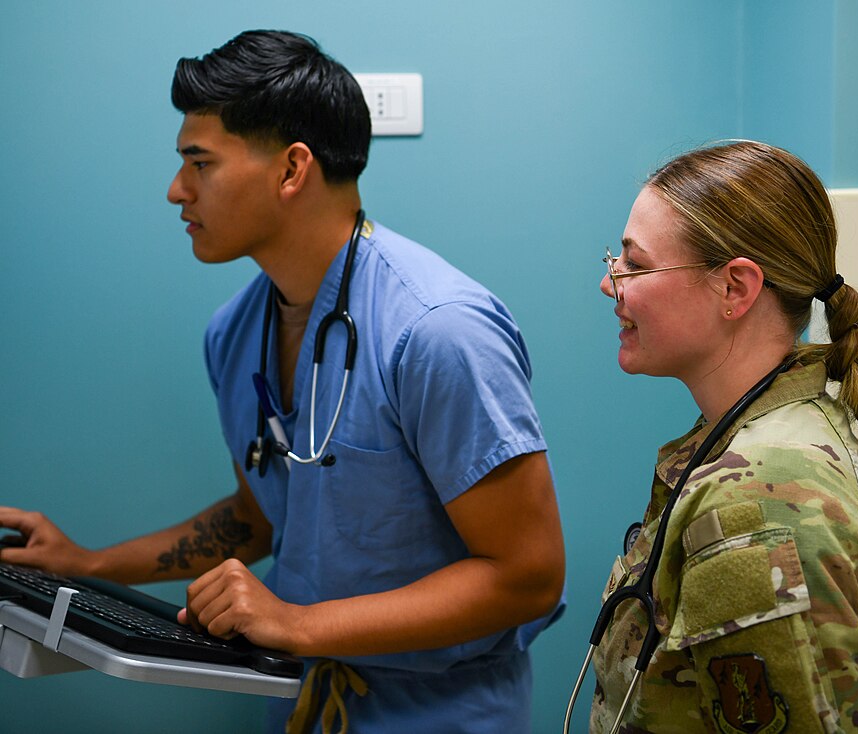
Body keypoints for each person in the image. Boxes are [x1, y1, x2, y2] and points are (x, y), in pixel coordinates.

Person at [0, 30, 565, 734]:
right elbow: (261, 516)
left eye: (198, 162)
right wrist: (88, 562)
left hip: (441, 716)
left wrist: (296, 622)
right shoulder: (234, 333)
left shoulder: (437, 332)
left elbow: (529, 574)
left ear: (292, 169)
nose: (177, 190)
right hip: (299, 706)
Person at [587, 141, 858, 733]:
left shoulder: (759, 502)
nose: (612, 285)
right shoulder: (762, 431)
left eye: (635, 264)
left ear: (735, 288)